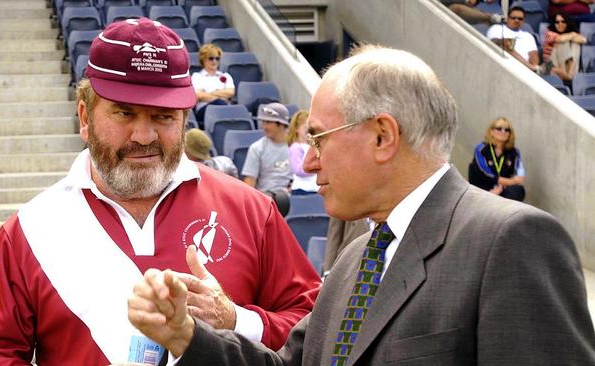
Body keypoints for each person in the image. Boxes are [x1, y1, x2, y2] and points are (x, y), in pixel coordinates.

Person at [127, 45, 595, 365]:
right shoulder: (357, 259)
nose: (308, 161)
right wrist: (188, 335)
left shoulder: (511, 241)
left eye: (319, 139)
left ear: (382, 136)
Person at [0, 18, 321, 366]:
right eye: (124, 113)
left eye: (163, 116)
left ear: (183, 119)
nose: (144, 136)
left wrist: (234, 320)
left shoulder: (252, 212)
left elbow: (319, 332)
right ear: (85, 117)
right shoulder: (30, 230)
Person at [468, 117, 526, 201]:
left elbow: (520, 177)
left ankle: (503, 209)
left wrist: (501, 187)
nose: (503, 132)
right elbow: (485, 173)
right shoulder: (481, 149)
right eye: (499, 128)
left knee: (518, 190)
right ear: (491, 132)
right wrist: (510, 181)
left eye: (507, 130)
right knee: (473, 167)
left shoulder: (515, 152)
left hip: (502, 189)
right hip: (484, 187)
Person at [242, 103, 292, 194]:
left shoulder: (296, 146)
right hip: (267, 198)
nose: (264, 127)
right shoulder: (257, 148)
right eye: (263, 122)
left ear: (281, 124)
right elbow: (250, 182)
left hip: (293, 197)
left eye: (268, 122)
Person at [487, 6, 543, 73]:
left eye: (520, 19)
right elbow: (499, 44)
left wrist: (534, 66)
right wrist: (530, 66)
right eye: (513, 18)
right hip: (502, 66)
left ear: (523, 21)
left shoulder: (528, 35)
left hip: (525, 72)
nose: (516, 20)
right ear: (507, 18)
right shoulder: (496, 28)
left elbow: (533, 54)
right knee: (505, 43)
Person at [191, 43, 235, 124]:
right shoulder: (197, 76)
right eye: (211, 58)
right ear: (203, 59)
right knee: (220, 102)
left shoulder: (226, 75)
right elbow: (198, 95)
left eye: (217, 58)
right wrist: (221, 95)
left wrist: (210, 93)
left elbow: (230, 92)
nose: (214, 61)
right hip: (204, 109)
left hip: (223, 107)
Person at [543, 12, 586, 81]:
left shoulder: (569, 34)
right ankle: (567, 76)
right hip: (551, 64)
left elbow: (583, 40)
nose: (560, 24)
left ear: (567, 22)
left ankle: (570, 74)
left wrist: (570, 37)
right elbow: (560, 39)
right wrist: (573, 34)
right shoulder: (549, 33)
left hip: (568, 66)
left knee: (575, 44)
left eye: (563, 21)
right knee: (563, 43)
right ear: (554, 24)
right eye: (557, 22)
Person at [287, 110, 318, 195]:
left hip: (315, 189)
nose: (308, 131)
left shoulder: (313, 146)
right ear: (296, 129)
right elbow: (298, 170)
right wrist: (316, 168)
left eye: (310, 129)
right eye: (305, 128)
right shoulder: (296, 147)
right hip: (301, 190)